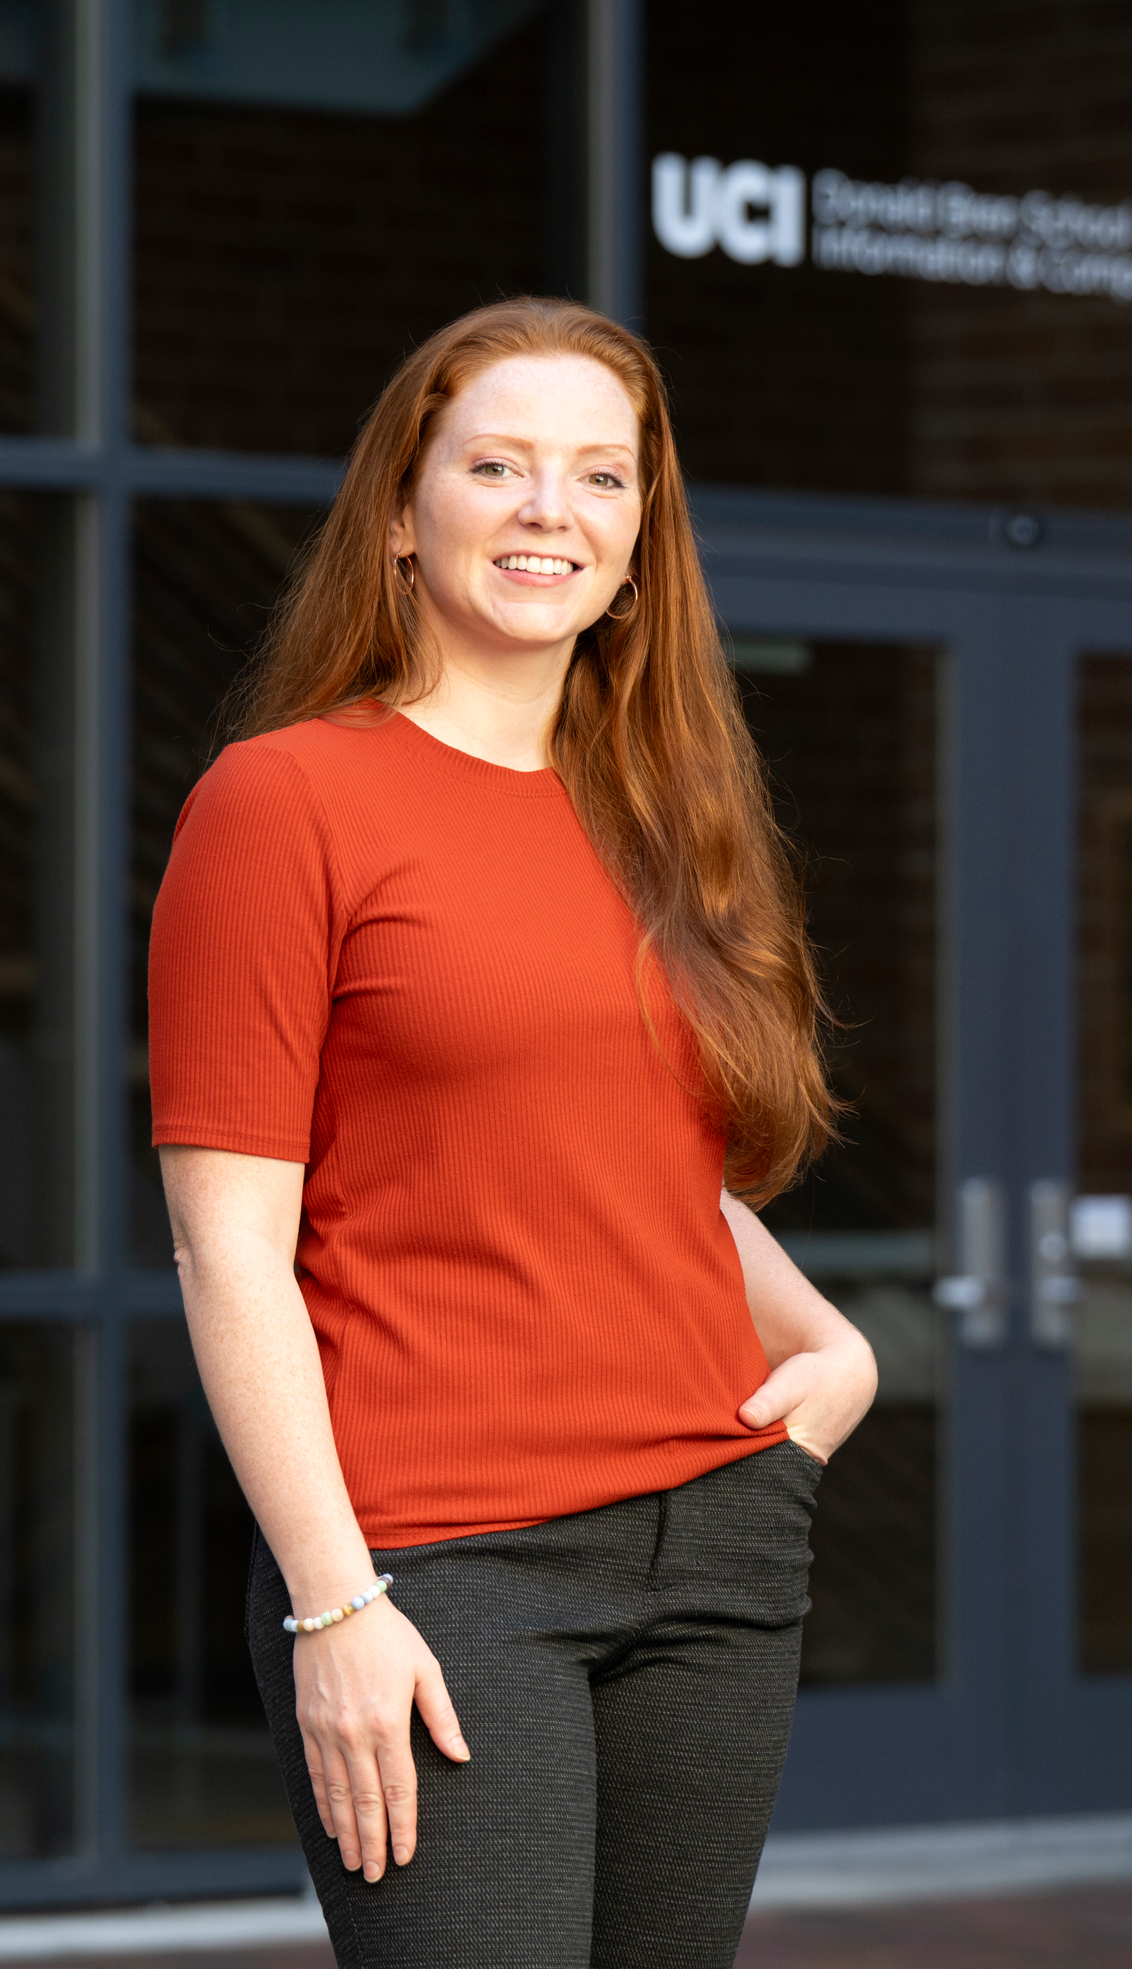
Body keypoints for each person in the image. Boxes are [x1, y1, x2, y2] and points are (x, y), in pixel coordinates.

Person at [148, 298, 878, 1969]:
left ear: (638, 542)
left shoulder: (663, 818)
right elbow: (228, 1246)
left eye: (600, 478)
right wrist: (334, 1601)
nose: (552, 509)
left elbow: (651, 1171)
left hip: (715, 1539)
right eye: (498, 465)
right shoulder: (286, 803)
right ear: (402, 516)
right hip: (443, 1563)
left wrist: (830, 1355)